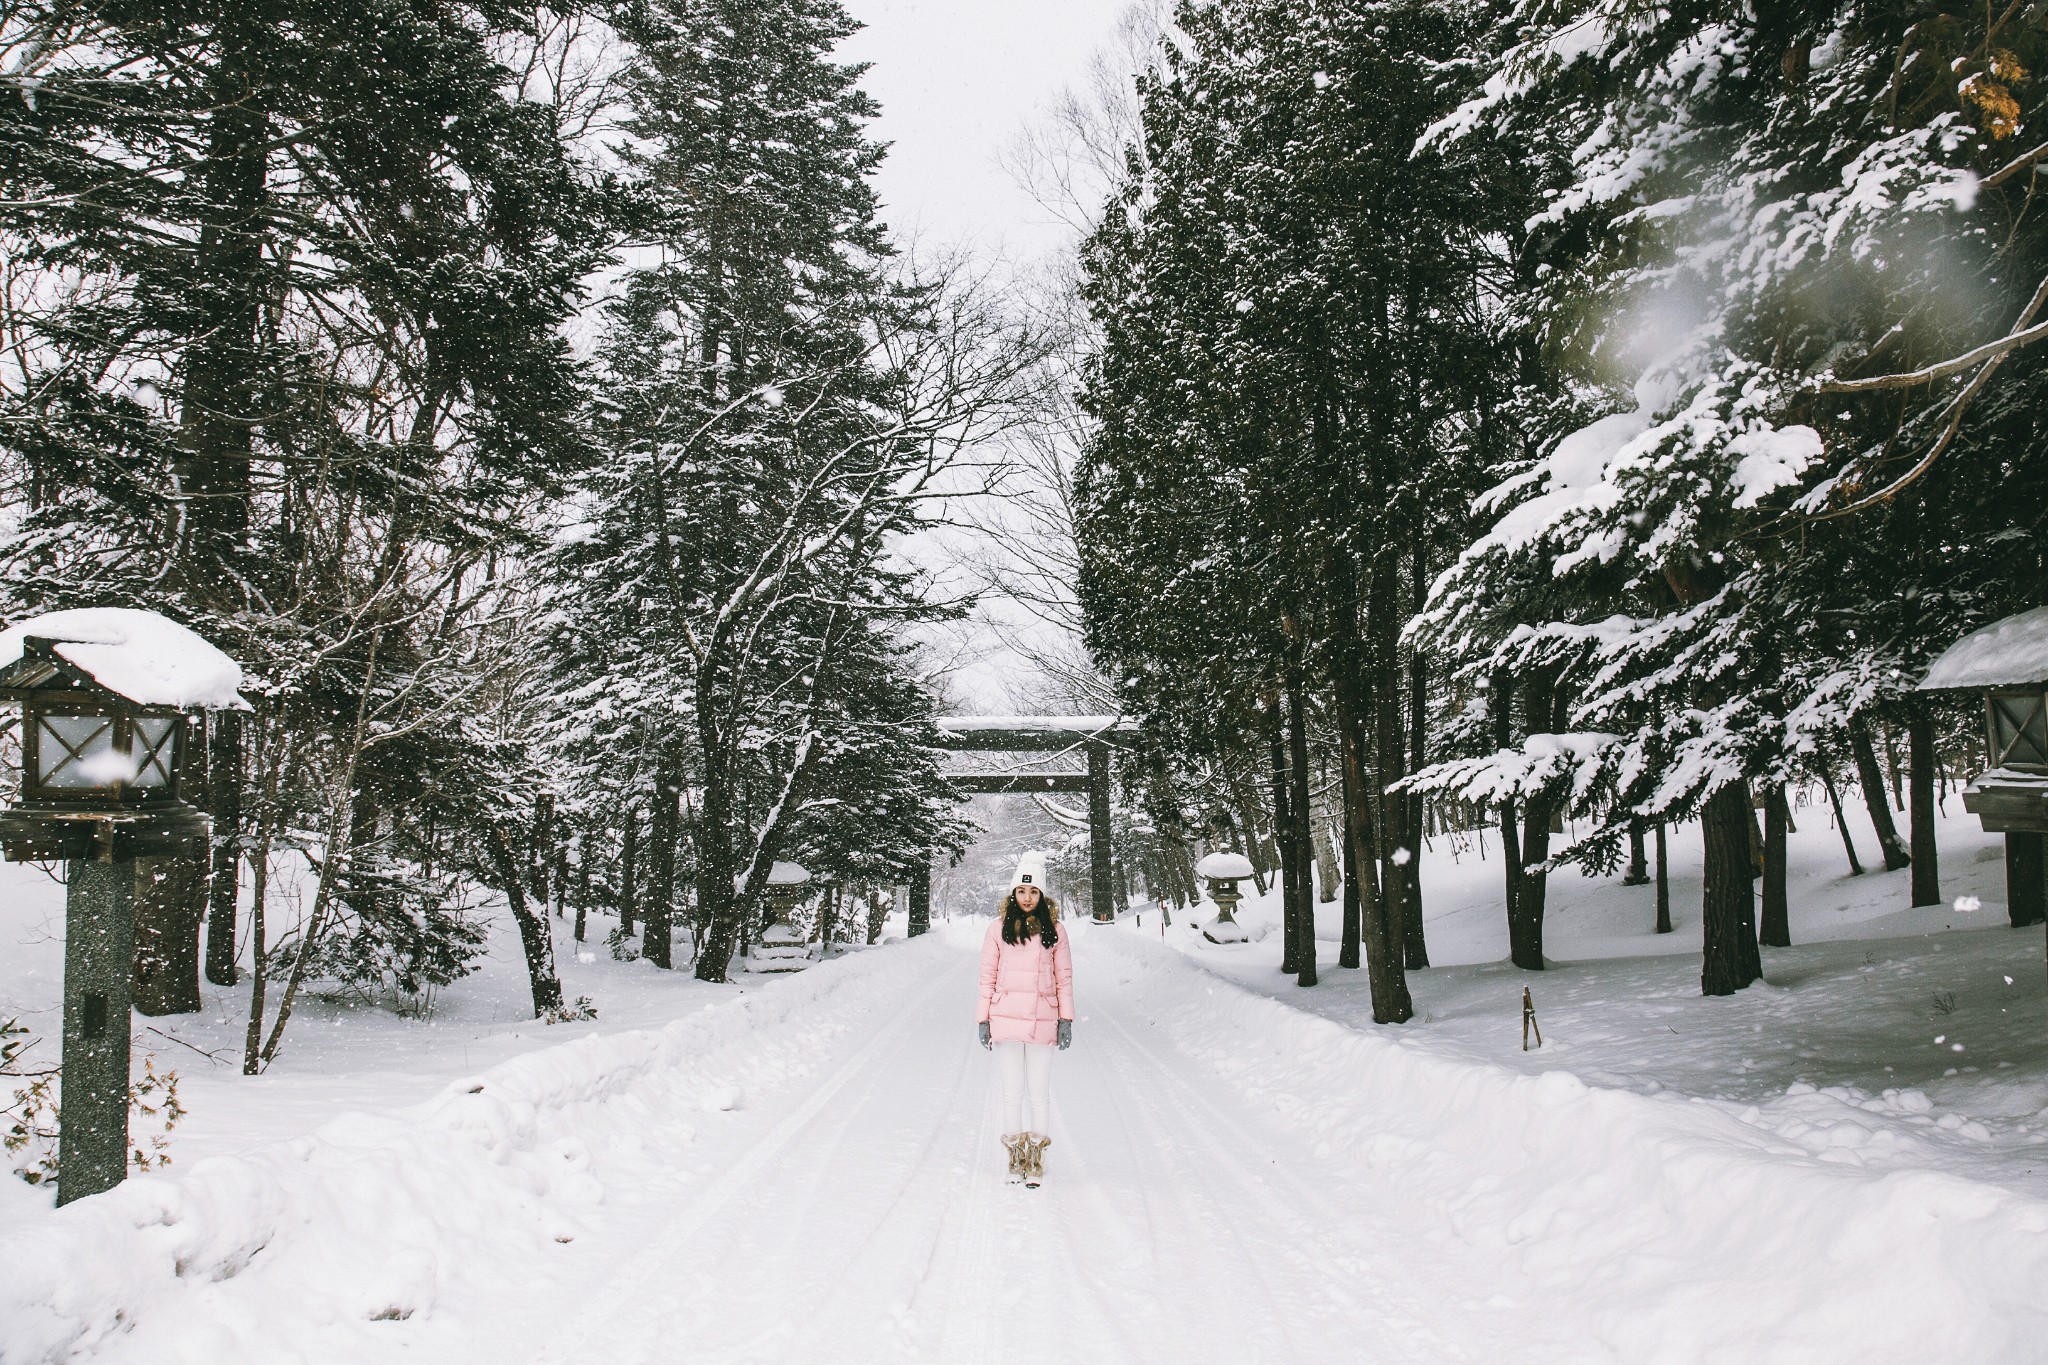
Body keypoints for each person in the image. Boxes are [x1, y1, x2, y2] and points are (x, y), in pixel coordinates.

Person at [975, 851, 1074, 1188]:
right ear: (1013, 894)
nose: (1027, 898)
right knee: (1012, 1093)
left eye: (1033, 893)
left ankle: (1036, 1156)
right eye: (1021, 891)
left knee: (1039, 1093)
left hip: (1042, 1019)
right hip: (1005, 1020)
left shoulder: (1056, 931)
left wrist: (1066, 1019)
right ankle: (1015, 1155)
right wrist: (983, 1019)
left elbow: (1064, 979)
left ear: (1042, 895)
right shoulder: (997, 930)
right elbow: (987, 977)